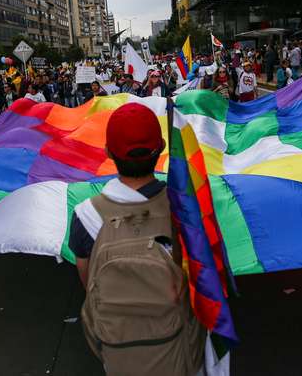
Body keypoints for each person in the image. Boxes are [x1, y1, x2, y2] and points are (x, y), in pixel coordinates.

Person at [70, 103, 203, 376]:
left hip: (118, 352)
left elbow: (89, 283)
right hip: (179, 348)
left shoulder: (85, 216)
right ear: (161, 147)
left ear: (108, 152)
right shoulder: (185, 207)